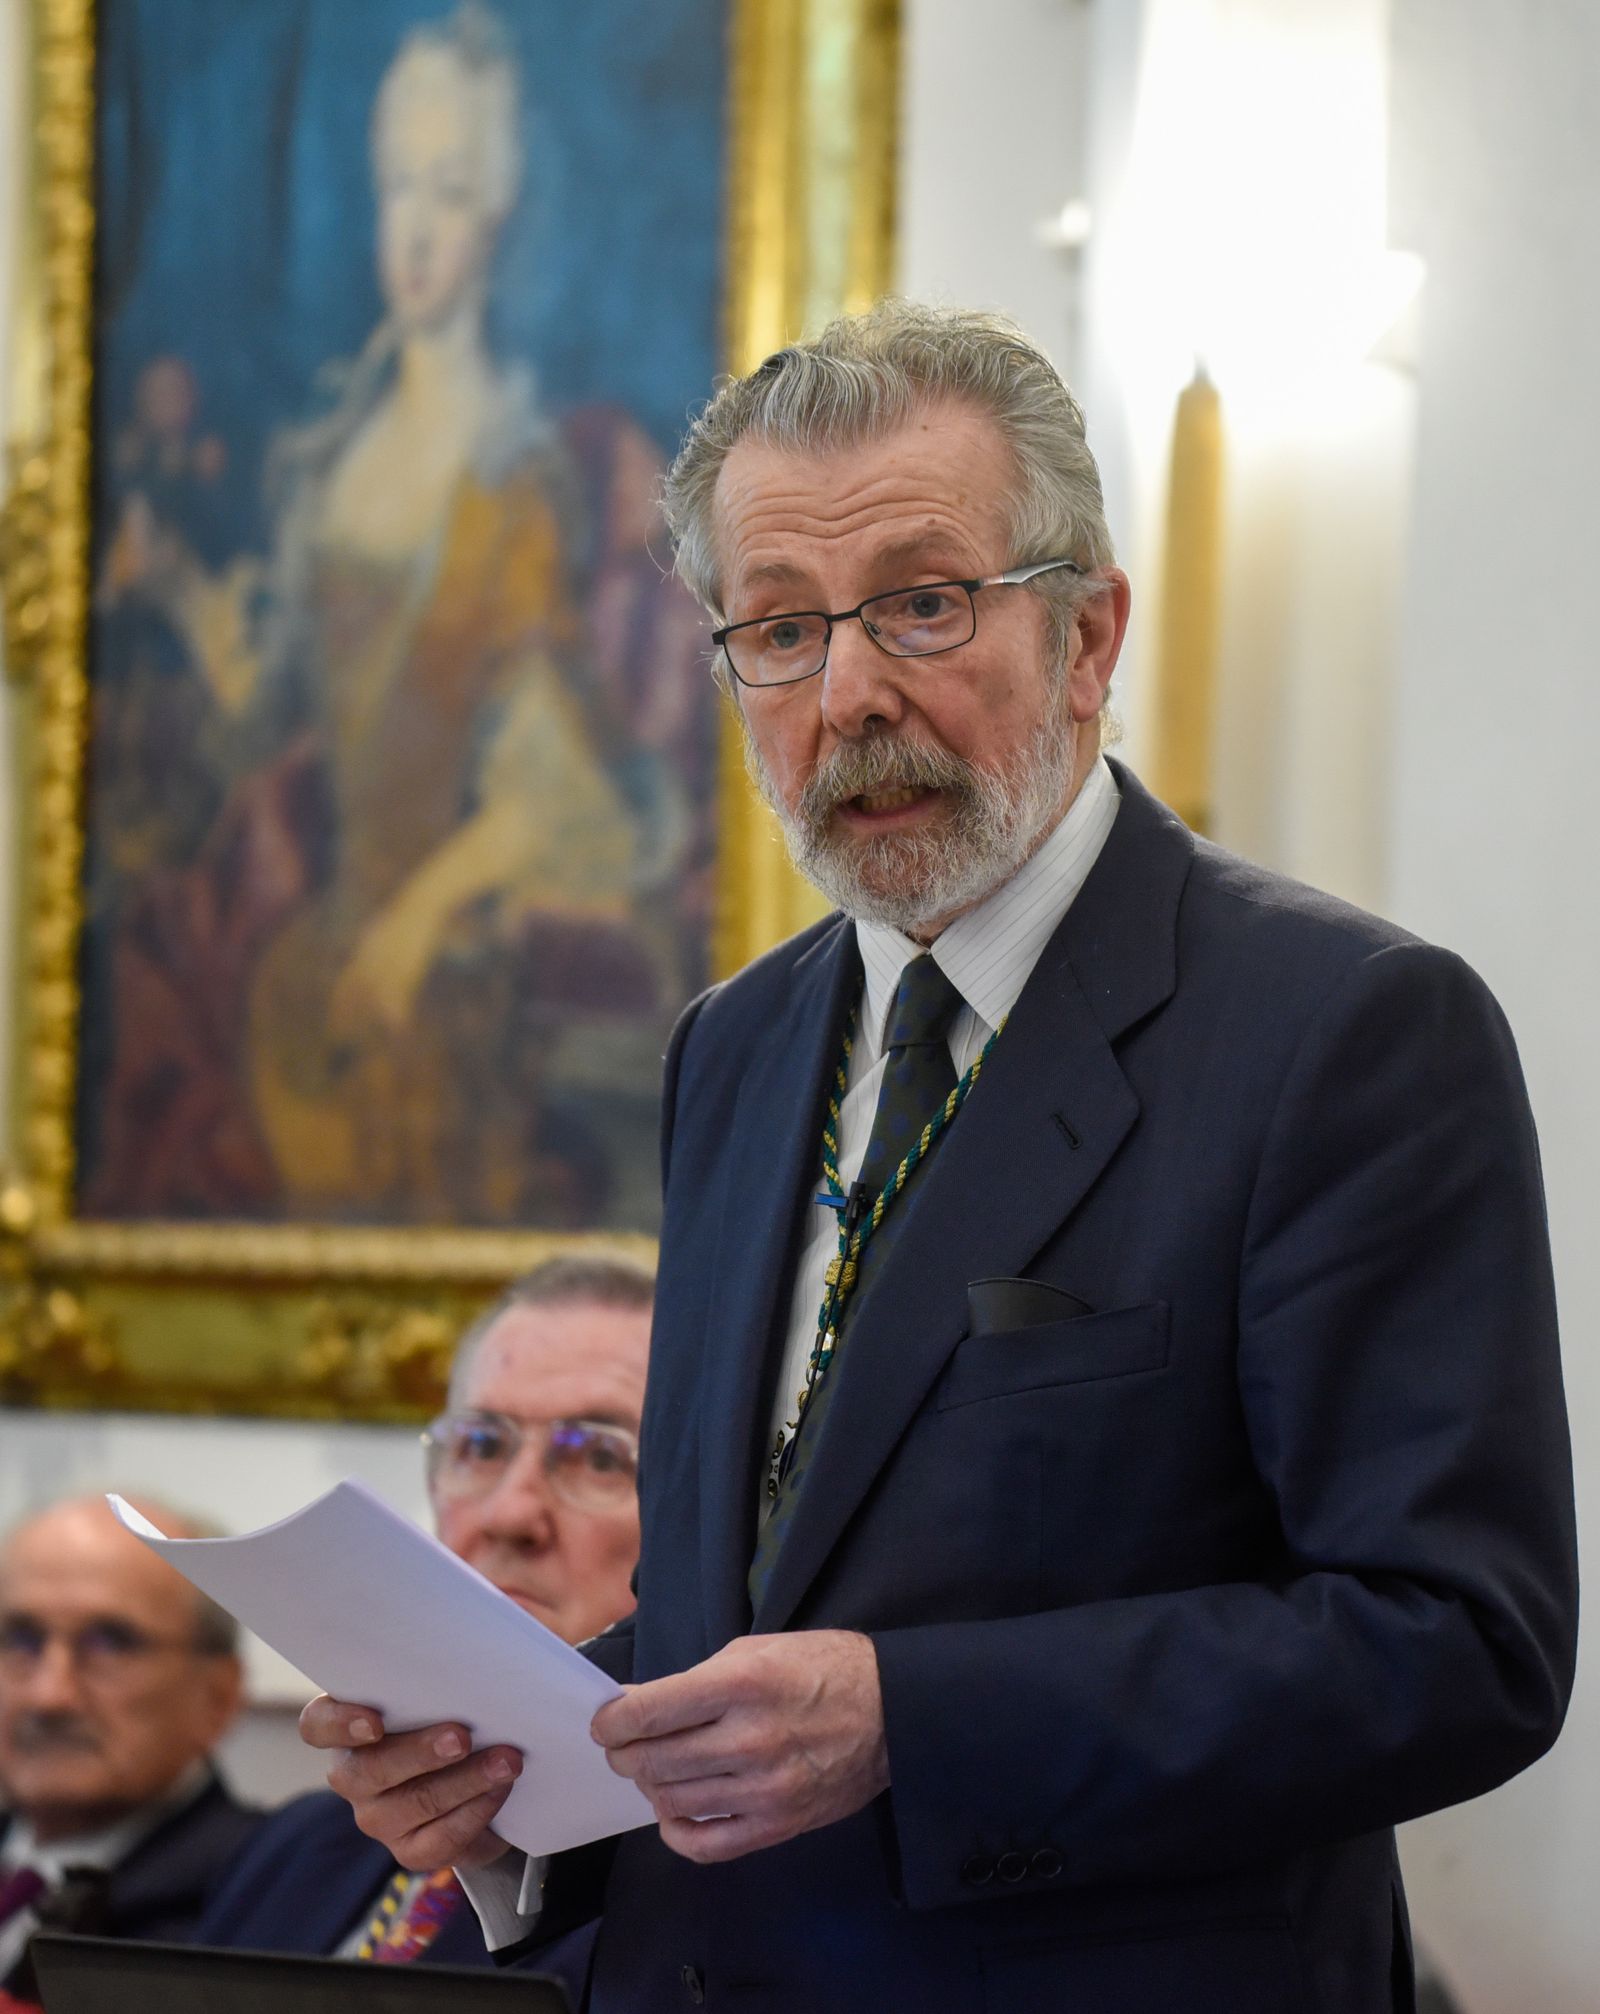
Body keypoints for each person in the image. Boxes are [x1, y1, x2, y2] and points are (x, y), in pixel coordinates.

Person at [300, 302, 1578, 2012]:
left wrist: (916, 1718)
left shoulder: (1342, 1029)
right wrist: (513, 1784)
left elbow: (1463, 1641)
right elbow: (742, 1611)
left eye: (921, 603)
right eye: (779, 627)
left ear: (1088, 633)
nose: (850, 694)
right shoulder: (734, 1044)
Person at [87, 2, 674, 1228]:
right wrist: (183, 599)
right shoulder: (326, 463)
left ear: (495, 214)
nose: (414, 227)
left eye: (447, 192)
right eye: (399, 184)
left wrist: (413, 921)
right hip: (313, 963)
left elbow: (560, 798)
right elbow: (266, 720)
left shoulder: (514, 485)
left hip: (447, 966)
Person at [198, 1252, 652, 1988]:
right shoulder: (295, 1850)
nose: (510, 1514)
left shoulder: (704, 1908)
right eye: (482, 1445)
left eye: (598, 1457)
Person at [0, 1496, 259, 2006]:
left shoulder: (258, 1901)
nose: (49, 1695)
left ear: (219, 1695)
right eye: (22, 1639)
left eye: (110, 1643)